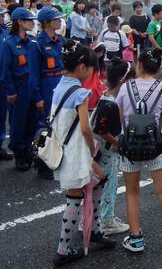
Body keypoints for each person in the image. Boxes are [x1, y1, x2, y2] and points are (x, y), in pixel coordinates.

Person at [51, 40, 115, 266]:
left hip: (64, 147)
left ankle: (95, 229)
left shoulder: (59, 85)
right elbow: (86, 128)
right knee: (74, 196)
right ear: (81, 68)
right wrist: (91, 151)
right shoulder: (80, 92)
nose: (91, 72)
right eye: (90, 68)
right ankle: (63, 248)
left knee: (99, 181)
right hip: (77, 151)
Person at [117, 48, 162, 252]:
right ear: (157, 68)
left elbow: (121, 118)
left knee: (132, 192)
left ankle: (136, 238)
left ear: (138, 65)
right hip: (155, 143)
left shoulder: (125, 87)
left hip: (129, 145)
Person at [92, 57, 132, 236]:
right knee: (109, 183)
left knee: (96, 185)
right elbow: (100, 130)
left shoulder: (106, 96)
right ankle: (106, 221)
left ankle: (91, 219)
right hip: (106, 150)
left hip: (97, 150)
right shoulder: (111, 103)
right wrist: (118, 143)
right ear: (124, 80)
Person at [0, 7, 41, 171]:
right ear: (19, 22)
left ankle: (27, 148)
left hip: (31, 86)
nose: (32, 23)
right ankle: (19, 153)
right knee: (18, 122)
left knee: (33, 120)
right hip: (19, 87)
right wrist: (10, 91)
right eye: (29, 20)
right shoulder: (9, 44)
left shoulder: (32, 42)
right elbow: (5, 70)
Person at [32, 7, 66, 179]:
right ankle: (42, 162)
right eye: (56, 20)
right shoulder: (38, 43)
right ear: (46, 23)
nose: (59, 22)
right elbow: (35, 73)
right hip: (46, 84)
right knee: (45, 124)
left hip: (60, 81)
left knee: (59, 122)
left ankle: (55, 158)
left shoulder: (60, 40)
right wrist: (37, 96)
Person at [0, 8, 12, 161]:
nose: (2, 18)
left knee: (2, 114)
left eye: (2, 15)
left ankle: (0, 144)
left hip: (3, 80)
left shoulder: (5, 32)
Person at [147, 4, 162, 70]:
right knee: (157, 68)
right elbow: (151, 37)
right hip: (157, 50)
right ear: (155, 14)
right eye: (161, 13)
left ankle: (161, 80)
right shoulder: (151, 24)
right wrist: (158, 48)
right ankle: (157, 80)